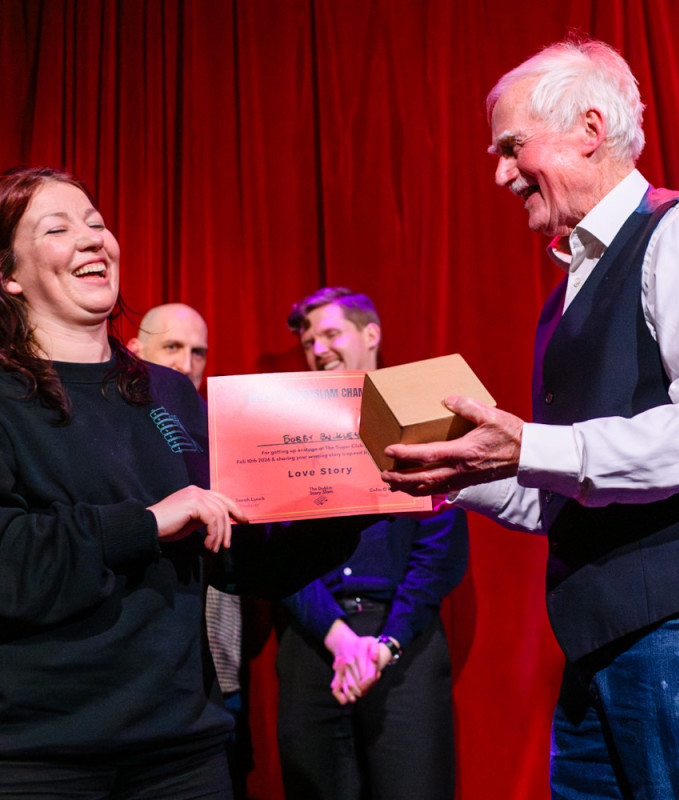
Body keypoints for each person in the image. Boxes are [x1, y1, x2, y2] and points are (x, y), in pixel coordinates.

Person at [381, 38, 679, 800]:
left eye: (511, 147)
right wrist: (455, 472)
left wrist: (532, 446)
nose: (499, 173)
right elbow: (568, 488)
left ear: (590, 129)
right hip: (601, 642)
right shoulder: (569, 290)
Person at [0, 166, 357, 799]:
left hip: (183, 752)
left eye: (96, 223)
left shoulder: (166, 391)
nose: (92, 239)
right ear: (9, 274)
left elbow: (239, 560)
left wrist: (359, 498)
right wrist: (144, 524)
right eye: (57, 229)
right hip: (39, 755)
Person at [275, 287, 469, 800]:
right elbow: (276, 549)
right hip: (314, 638)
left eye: (331, 334)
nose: (319, 349)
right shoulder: (285, 432)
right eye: (309, 342)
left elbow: (439, 549)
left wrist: (386, 644)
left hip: (403, 638)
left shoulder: (422, 420)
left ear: (371, 335)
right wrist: (338, 637)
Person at [127, 303, 248, 798]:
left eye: (198, 352)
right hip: (136, 670)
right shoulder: (118, 432)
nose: (186, 363)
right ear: (134, 351)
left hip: (213, 668)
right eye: (172, 347)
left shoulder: (220, 432)